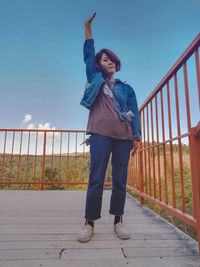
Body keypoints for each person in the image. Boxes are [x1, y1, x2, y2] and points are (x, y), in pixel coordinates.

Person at [77, 12, 141, 243]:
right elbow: (88, 54)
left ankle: (118, 221)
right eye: (104, 59)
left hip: (123, 137)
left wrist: (137, 137)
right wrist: (87, 28)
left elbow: (136, 113)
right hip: (100, 134)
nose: (109, 61)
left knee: (120, 181)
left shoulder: (127, 88)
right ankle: (89, 222)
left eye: (111, 59)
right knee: (96, 178)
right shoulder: (95, 78)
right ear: (99, 65)